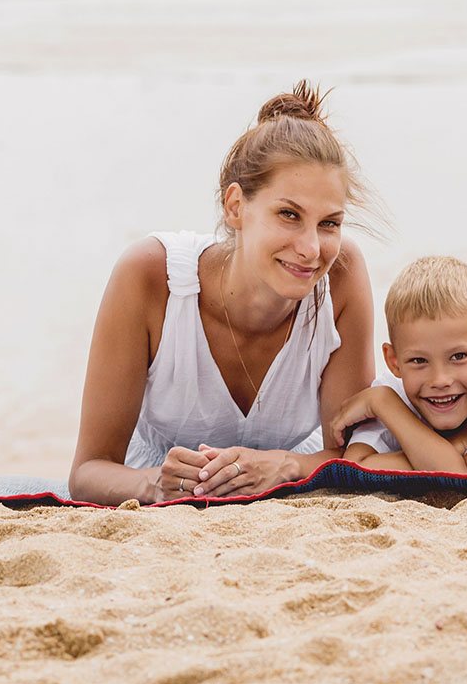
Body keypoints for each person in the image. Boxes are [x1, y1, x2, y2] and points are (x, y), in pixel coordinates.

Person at [68, 82, 378, 505]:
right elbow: (88, 470)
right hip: (155, 480)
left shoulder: (341, 276)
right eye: (289, 215)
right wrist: (154, 483)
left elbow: (353, 456)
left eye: (330, 223)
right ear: (236, 207)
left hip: (283, 478)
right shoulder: (150, 276)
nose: (311, 248)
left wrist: (284, 466)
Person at [332, 256, 467, 472]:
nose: (440, 380)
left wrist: (380, 402)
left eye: (458, 356)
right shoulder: (389, 395)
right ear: (393, 361)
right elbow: (356, 467)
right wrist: (463, 440)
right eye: (419, 360)